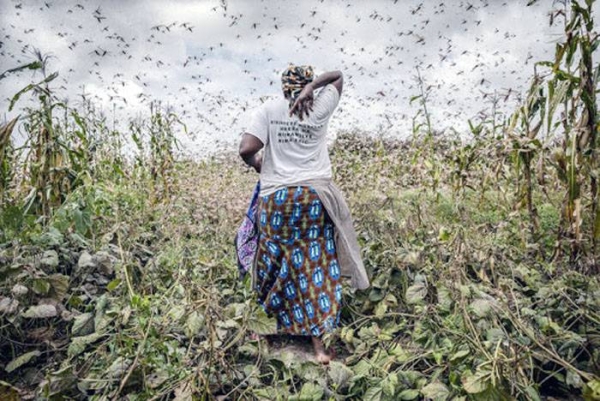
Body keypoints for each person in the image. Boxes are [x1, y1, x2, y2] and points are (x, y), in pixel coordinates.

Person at [238, 64, 369, 364]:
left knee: (272, 261)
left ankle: (266, 331)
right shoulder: (319, 105)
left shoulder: (269, 109)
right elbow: (338, 75)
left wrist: (259, 164)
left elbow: (247, 148)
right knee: (316, 265)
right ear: (307, 85)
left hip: (277, 201)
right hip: (313, 198)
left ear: (284, 86)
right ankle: (320, 347)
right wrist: (314, 88)